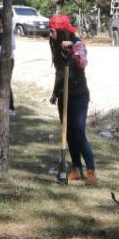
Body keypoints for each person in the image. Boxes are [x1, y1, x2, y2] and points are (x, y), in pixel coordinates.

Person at [48, 14, 97, 185]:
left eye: (52, 30)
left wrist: (72, 52)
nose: (50, 34)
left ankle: (91, 171)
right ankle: (76, 169)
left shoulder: (77, 43)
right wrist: (55, 92)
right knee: (67, 133)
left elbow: (82, 63)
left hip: (78, 95)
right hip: (63, 94)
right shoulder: (55, 45)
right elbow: (59, 71)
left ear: (61, 31)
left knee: (78, 132)